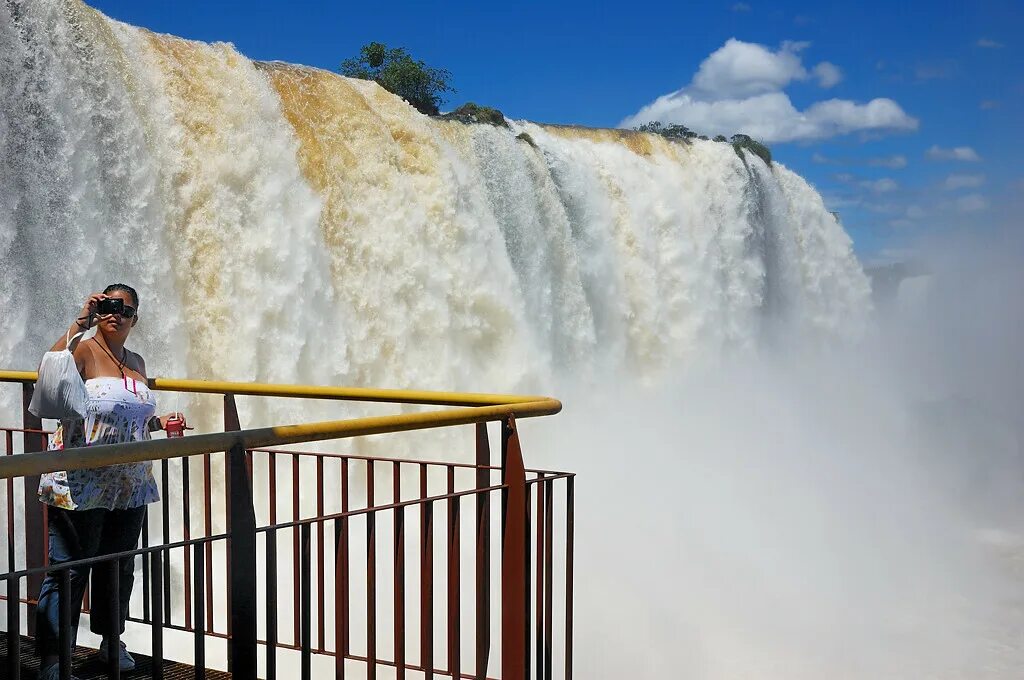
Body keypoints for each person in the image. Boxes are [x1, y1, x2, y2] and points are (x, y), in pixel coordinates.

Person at [35, 284, 184, 680]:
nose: (114, 313)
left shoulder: (135, 360)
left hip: (129, 484)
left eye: (124, 308)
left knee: (118, 567)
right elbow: (48, 377)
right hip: (79, 481)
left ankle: (109, 641)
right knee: (69, 570)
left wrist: (159, 422)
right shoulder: (82, 349)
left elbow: (128, 418)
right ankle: (53, 658)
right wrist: (80, 321)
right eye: (107, 305)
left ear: (135, 317)